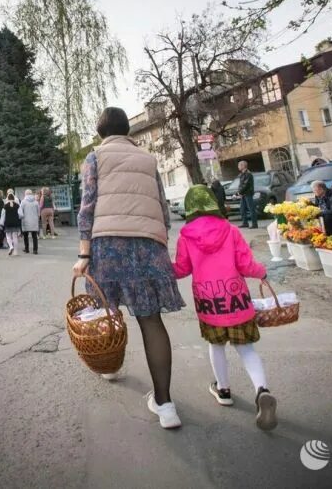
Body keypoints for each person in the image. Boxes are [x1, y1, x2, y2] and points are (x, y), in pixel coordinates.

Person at [73, 107, 186, 430]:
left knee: (105, 313)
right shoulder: (148, 160)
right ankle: (166, 406)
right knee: (151, 321)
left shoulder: (94, 158)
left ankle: (109, 366)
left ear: (101, 134)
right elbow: (162, 208)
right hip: (148, 246)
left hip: (107, 245)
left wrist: (84, 254)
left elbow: (87, 207)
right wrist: (160, 240)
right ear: (128, 132)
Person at [172, 184, 278, 431]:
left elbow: (182, 268)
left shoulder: (186, 235)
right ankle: (262, 390)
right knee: (247, 349)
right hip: (237, 301)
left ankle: (224, 390)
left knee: (215, 346)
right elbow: (245, 264)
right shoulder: (230, 231)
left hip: (209, 304)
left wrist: (161, 270)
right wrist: (262, 272)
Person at [19, 189, 41, 254]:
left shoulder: (23, 202)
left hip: (25, 221)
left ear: (25, 194)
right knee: (34, 236)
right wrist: (37, 218)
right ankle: (35, 250)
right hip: (34, 221)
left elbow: (20, 212)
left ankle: (27, 249)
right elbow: (38, 212)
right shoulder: (36, 202)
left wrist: (21, 218)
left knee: (25, 236)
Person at [237, 161, 257, 229]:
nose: (238, 167)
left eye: (239, 165)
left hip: (248, 193)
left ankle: (254, 224)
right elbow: (241, 185)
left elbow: (246, 184)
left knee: (251, 209)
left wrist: (240, 192)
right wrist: (240, 192)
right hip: (243, 194)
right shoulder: (242, 174)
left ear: (243, 166)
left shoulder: (248, 174)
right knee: (242, 209)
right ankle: (245, 223)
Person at [0, 192, 22, 256]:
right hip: (15, 222)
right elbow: (21, 215)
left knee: (8, 236)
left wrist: (1, 223)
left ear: (7, 198)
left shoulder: (5, 206)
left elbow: (3, 216)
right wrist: (17, 218)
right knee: (15, 237)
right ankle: (16, 252)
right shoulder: (17, 205)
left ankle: (11, 246)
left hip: (8, 223)